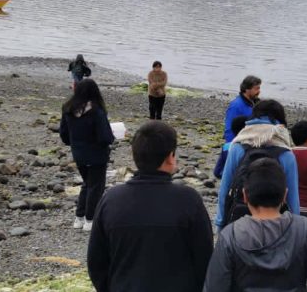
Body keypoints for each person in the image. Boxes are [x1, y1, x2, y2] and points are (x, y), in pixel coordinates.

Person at [87, 121, 213, 292]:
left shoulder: (111, 199)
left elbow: (96, 261)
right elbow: (204, 258)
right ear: (170, 157)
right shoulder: (189, 200)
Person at [203, 159, 307, 292]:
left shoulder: (230, 236)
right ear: (285, 195)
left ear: (245, 196)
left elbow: (214, 287)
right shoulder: (305, 229)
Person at [215, 99, 300, 231]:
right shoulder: (286, 154)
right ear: (280, 121)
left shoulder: (238, 147)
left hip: (239, 221)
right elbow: (292, 197)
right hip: (276, 225)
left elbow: (225, 188)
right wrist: (295, 229)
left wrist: (220, 223)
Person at [59, 79, 114, 232]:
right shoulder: (96, 111)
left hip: (79, 153)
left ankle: (79, 217)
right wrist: (112, 138)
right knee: (96, 186)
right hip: (96, 154)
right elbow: (105, 136)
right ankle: (90, 220)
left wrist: (75, 144)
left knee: (87, 184)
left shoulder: (68, 108)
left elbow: (63, 134)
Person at [224, 75, 261, 143]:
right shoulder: (236, 106)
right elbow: (229, 129)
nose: (259, 91)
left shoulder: (256, 103)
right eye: (256, 89)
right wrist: (231, 147)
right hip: (241, 144)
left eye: (259, 88)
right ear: (247, 89)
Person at [213, 115, 248, 180]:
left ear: (233, 130)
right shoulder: (257, 146)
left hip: (231, 182)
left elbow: (217, 172)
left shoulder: (226, 147)